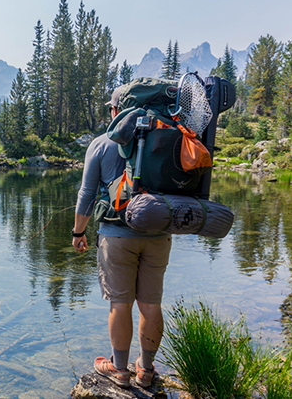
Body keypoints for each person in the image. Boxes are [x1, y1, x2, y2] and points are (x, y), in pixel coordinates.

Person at [72, 86, 172, 389]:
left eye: (111, 109)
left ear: (117, 111)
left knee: (120, 303)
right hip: (158, 233)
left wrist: (79, 231)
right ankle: (145, 369)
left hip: (116, 235)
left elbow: (87, 194)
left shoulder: (102, 144)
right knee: (151, 304)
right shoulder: (165, 139)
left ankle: (119, 370)